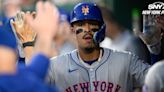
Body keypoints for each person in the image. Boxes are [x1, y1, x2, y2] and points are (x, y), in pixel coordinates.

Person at [47, 2, 150, 92]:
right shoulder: (55, 66)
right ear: (72, 30)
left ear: (102, 28)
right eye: (81, 24)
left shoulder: (126, 61)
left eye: (92, 23)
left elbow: (157, 79)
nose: (87, 29)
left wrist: (155, 50)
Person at [0, 1, 59, 92]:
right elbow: (29, 80)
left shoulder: (19, 74)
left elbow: (36, 68)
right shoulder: (9, 83)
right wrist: (44, 36)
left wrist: (44, 36)